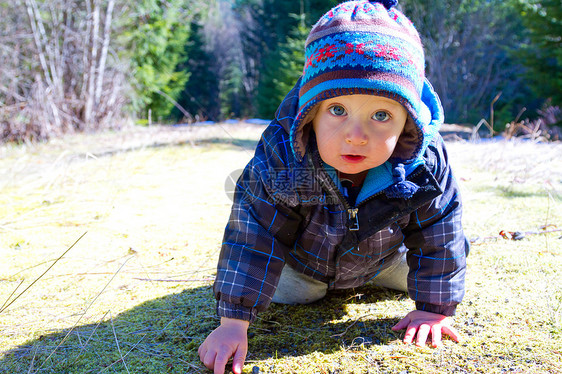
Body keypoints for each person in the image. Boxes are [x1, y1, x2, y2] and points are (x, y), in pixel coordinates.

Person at [198, 1, 470, 373]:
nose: (355, 136)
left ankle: (401, 282)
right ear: (311, 111)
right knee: (294, 293)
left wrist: (433, 309)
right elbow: (254, 231)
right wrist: (233, 322)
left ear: (408, 121)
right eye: (337, 110)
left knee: (426, 271)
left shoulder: (423, 161)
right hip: (304, 266)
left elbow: (440, 230)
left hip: (385, 258)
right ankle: (288, 288)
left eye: (381, 115)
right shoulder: (284, 153)